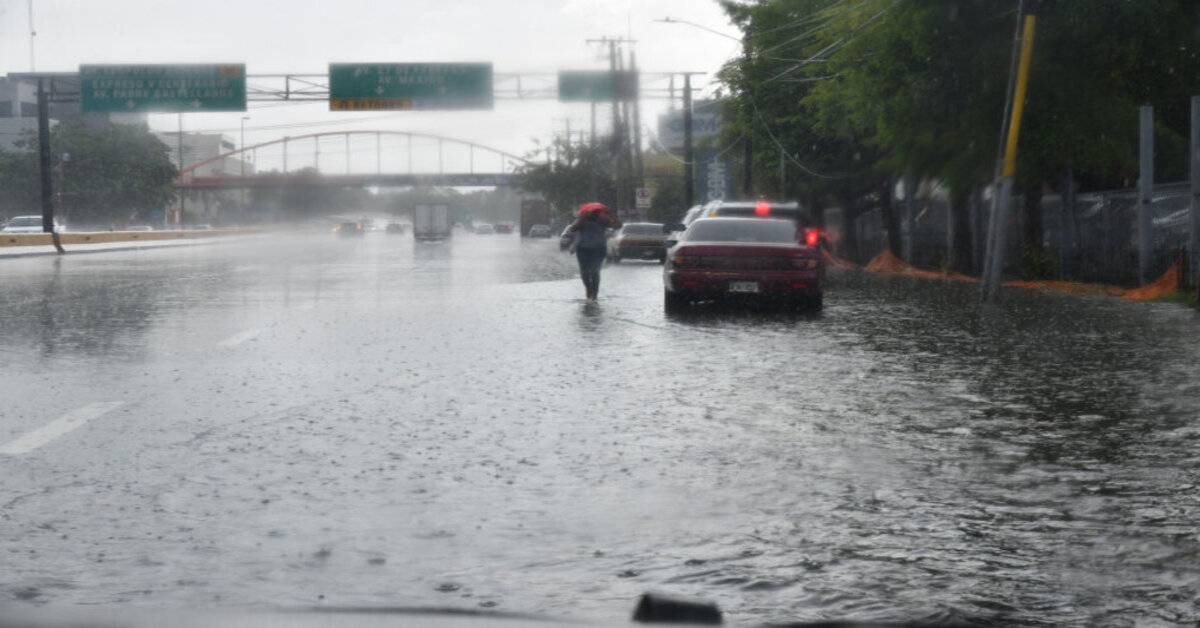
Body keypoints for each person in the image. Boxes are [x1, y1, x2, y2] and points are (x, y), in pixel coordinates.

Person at [566, 202, 622, 301]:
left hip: (598, 249)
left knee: (595, 271)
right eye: (592, 212)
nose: (594, 214)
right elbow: (572, 229)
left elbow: (618, 226)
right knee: (584, 273)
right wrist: (582, 218)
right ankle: (588, 289)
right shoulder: (582, 221)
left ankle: (594, 294)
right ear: (587, 213)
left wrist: (612, 215)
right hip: (583, 249)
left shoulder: (603, 220)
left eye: (596, 212)